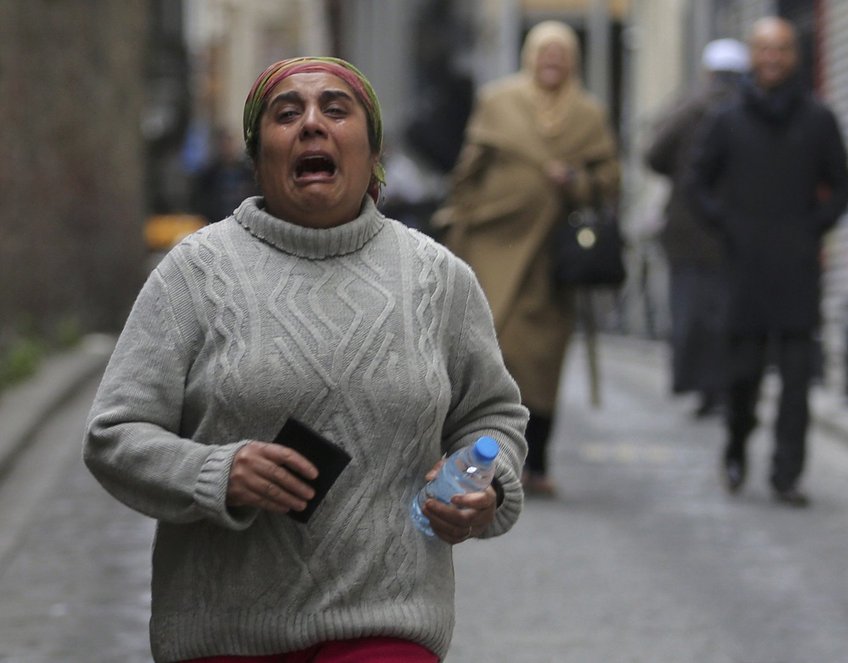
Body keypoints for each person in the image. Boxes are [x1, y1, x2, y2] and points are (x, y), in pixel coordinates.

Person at [84, 56, 528, 662]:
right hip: (223, 633)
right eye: (286, 113)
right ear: (258, 155)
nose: (311, 124)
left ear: (373, 153)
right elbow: (113, 435)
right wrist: (217, 473)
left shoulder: (437, 279)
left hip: (387, 622)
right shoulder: (195, 273)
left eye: (336, 110)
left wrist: (487, 486)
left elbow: (493, 417)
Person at [433, 21, 620, 497]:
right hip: (494, 243)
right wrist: (461, 218)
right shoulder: (499, 101)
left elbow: (608, 179)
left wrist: (575, 181)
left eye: (561, 53)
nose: (551, 61)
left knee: (541, 361)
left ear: (573, 60)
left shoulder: (588, 113)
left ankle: (536, 460)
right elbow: (469, 168)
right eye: (544, 52)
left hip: (550, 260)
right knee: (491, 351)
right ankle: (479, 457)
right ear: (530, 55)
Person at [687, 18, 848, 506]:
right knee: (742, 377)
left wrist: (811, 228)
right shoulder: (727, 119)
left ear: (795, 56)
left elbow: (842, 187)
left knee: (798, 380)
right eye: (764, 50)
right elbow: (696, 182)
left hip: (797, 269)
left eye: (781, 49)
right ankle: (736, 446)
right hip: (744, 269)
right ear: (753, 57)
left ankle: (787, 474)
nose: (773, 58)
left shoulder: (819, 119)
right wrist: (727, 225)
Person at [645, 38, 749, 419]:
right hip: (735, 228)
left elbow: (654, 155)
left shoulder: (688, 108)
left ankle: (704, 386)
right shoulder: (748, 107)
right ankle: (724, 385)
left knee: (691, 312)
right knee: (728, 311)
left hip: (689, 229)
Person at [192, 127, 259, 224]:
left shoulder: (248, 173)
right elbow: (201, 202)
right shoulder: (208, 175)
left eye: (229, 142)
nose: (227, 147)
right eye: (223, 143)